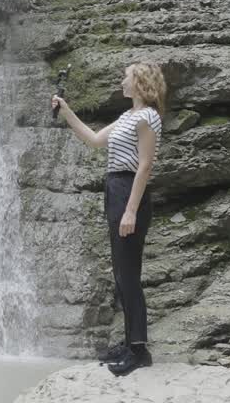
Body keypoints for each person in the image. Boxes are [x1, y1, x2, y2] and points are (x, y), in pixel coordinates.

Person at [52, 61, 167, 376]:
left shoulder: (148, 117)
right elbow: (93, 139)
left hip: (131, 190)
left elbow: (144, 166)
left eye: (125, 76)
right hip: (115, 188)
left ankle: (139, 351)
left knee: (128, 274)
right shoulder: (128, 116)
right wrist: (66, 110)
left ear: (139, 82)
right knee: (120, 273)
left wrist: (131, 209)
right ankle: (130, 343)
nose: (121, 81)